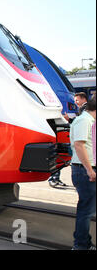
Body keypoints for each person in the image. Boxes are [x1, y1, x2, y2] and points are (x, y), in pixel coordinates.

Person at [70, 94, 96, 250]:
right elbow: (79, 145)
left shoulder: (89, 121)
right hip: (84, 171)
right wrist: (90, 170)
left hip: (86, 169)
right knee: (85, 211)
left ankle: (83, 243)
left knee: (87, 209)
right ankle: (80, 246)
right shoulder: (84, 120)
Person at [52, 92, 90, 188]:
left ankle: (54, 177)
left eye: (77, 100)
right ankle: (54, 177)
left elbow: (81, 122)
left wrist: (69, 120)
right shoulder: (85, 108)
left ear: (83, 99)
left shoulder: (85, 108)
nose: (76, 102)